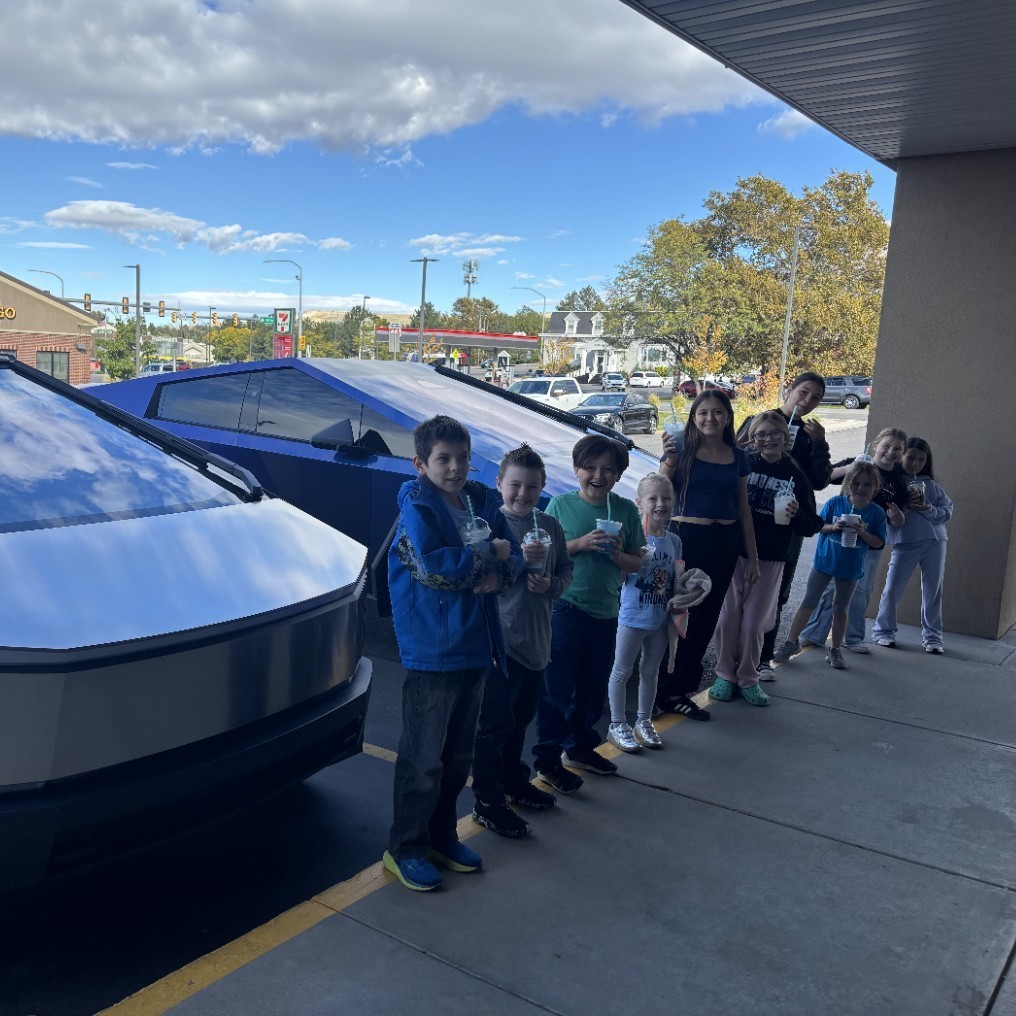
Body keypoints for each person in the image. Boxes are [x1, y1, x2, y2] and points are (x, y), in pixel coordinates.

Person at [384, 415, 523, 892]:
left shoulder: (473, 502)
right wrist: (494, 560)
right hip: (433, 650)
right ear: (420, 463)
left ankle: (442, 836)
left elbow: (513, 555)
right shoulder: (416, 509)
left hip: (473, 646)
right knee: (423, 759)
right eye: (443, 459)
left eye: (462, 458)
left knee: (456, 755)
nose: (456, 467)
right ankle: (405, 846)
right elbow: (435, 566)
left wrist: (501, 570)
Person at [532, 434, 645, 794]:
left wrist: (616, 557)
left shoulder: (625, 510)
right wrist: (580, 544)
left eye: (608, 469)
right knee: (556, 690)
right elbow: (542, 552)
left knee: (592, 689)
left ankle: (579, 749)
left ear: (618, 475)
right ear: (577, 469)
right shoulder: (561, 506)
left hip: (606, 612)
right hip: (565, 608)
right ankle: (547, 760)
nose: (598, 475)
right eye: (590, 468)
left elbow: (639, 562)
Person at [471, 445, 573, 837]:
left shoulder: (550, 527)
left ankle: (514, 782)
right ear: (499, 485)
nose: (522, 494)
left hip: (537, 641)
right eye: (515, 485)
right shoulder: (489, 526)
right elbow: (480, 583)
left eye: (532, 487)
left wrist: (551, 584)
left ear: (543, 488)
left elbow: (565, 570)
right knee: (494, 724)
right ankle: (488, 800)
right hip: (500, 644)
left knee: (520, 721)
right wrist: (511, 565)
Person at [656, 389, 759, 719]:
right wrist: (668, 460)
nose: (710, 418)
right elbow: (655, 490)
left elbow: (743, 509)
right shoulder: (682, 449)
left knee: (706, 617)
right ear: (693, 417)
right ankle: (658, 690)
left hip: (725, 541)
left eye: (717, 412)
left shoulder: (738, 456)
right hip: (688, 537)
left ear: (728, 416)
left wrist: (752, 557)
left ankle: (681, 691)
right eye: (703, 413)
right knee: (679, 617)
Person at [709, 412, 823, 705]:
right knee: (727, 620)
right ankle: (724, 674)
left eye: (775, 433)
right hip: (735, 555)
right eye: (762, 434)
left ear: (786, 438)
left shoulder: (796, 476)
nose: (768, 439)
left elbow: (813, 524)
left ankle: (748, 677)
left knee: (754, 624)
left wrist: (798, 514)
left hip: (772, 559)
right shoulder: (742, 465)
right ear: (753, 437)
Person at [737, 373, 834, 679]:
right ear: (789, 390)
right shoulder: (758, 421)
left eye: (815, 397)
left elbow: (819, 481)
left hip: (785, 528)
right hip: (747, 522)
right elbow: (734, 458)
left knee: (775, 595)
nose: (806, 400)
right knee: (734, 595)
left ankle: (763, 657)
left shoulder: (809, 434)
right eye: (803, 392)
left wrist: (819, 444)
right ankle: (734, 657)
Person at [798, 427, 909, 651]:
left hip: (869, 543)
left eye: (897, 449)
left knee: (861, 591)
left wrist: (898, 518)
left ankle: (854, 638)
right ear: (876, 445)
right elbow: (826, 477)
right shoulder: (860, 465)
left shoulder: (899, 481)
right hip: (840, 538)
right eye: (886, 446)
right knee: (830, 589)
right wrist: (852, 466)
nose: (891, 452)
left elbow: (896, 520)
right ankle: (813, 634)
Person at [773, 461, 887, 669]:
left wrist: (862, 532)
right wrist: (834, 526)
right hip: (824, 562)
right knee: (808, 601)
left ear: (875, 487)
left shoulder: (876, 513)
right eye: (856, 483)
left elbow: (878, 542)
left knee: (840, 608)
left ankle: (834, 649)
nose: (861, 488)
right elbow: (820, 526)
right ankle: (790, 642)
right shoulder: (836, 502)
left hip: (850, 569)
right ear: (848, 483)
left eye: (867, 484)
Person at [606, 472, 681, 752]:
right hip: (632, 617)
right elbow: (619, 578)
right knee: (622, 671)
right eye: (653, 498)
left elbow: (676, 579)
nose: (660, 503)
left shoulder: (674, 541)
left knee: (650, 672)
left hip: (660, 619)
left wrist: (687, 591)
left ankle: (643, 720)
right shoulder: (634, 537)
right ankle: (617, 723)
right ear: (640, 502)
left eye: (667, 498)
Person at [871, 438, 954, 654]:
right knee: (892, 588)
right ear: (902, 456)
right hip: (905, 541)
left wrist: (927, 508)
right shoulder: (893, 483)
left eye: (921, 459)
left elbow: (947, 513)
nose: (915, 463)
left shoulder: (931, 485)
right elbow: (886, 514)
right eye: (911, 457)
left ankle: (933, 637)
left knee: (933, 590)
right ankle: (883, 631)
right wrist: (905, 506)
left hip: (936, 542)